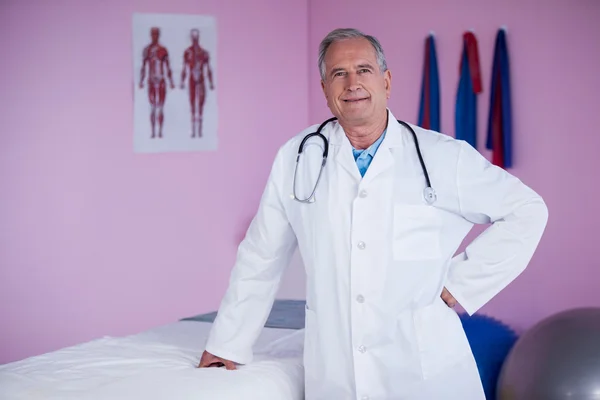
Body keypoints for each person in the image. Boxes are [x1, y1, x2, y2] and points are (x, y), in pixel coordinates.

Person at [197, 28, 549, 399]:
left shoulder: (444, 156)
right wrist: (227, 344)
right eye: (339, 73)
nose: (352, 83)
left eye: (363, 70)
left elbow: (527, 209)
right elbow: (261, 255)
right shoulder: (297, 157)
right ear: (324, 89)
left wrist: (462, 282)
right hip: (337, 372)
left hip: (426, 373)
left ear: (386, 81)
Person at [139, 27, 175, 139]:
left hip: (161, 81)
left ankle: (160, 132)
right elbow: (143, 67)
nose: (154, 36)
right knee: (152, 107)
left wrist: (171, 81)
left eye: (156, 34)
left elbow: (168, 67)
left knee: (160, 108)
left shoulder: (163, 50)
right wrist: (141, 81)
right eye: (153, 34)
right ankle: (153, 132)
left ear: (159, 35)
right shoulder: (147, 50)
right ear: (151, 35)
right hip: (151, 81)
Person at [180, 28, 214, 138]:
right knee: (192, 104)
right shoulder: (187, 52)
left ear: (198, 38)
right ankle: (193, 131)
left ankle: (200, 131)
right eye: (193, 38)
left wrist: (211, 82)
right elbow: (184, 68)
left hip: (201, 81)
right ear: (191, 38)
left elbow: (208, 69)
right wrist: (182, 81)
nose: (194, 40)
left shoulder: (204, 53)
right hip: (192, 81)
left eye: (196, 38)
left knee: (201, 105)